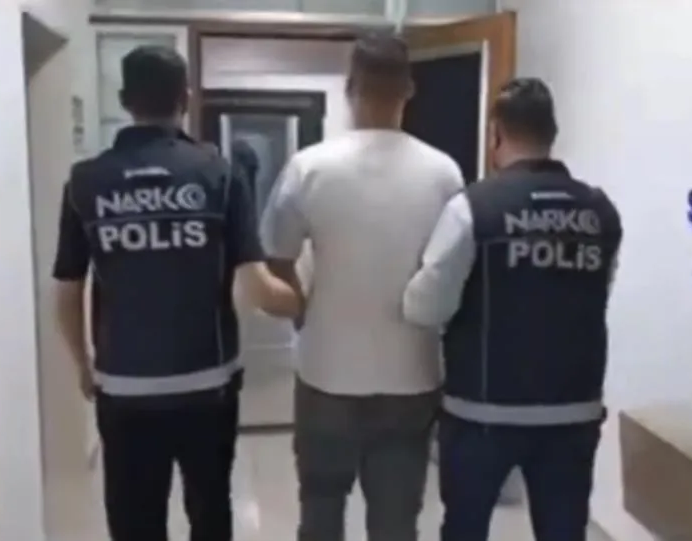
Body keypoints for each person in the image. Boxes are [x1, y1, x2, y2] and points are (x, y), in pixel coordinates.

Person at [52, 45, 301, 541]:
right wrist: (305, 301)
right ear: (185, 98)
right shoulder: (219, 174)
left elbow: (66, 291)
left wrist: (84, 363)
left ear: (124, 100)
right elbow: (256, 287)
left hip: (123, 385)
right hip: (206, 385)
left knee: (134, 519)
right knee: (209, 513)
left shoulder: (86, 182)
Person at [260, 31, 465, 541]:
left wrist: (302, 312)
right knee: (396, 522)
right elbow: (455, 270)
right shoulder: (444, 173)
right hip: (411, 374)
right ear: (409, 89)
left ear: (350, 86)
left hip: (326, 372)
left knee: (321, 512)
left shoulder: (309, 167)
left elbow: (276, 260)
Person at [402, 78, 623, 541]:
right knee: (564, 532)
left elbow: (426, 307)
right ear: (552, 133)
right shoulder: (601, 213)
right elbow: (598, 291)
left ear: (496, 133)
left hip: (483, 412)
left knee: (465, 529)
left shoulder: (473, 208)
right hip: (573, 410)